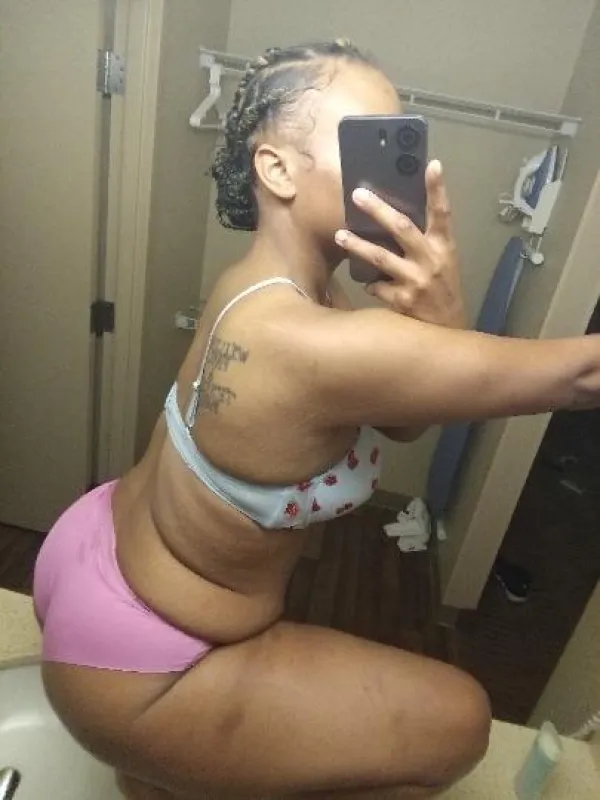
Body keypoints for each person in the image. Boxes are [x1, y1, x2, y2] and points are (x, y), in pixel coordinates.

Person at [33, 40, 600, 799]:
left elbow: (402, 420)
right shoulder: (310, 341)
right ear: (276, 169)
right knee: (461, 722)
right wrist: (448, 314)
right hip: (141, 665)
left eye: (399, 142)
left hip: (96, 549)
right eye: (367, 142)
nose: (396, 176)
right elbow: (580, 375)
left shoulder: (278, 289)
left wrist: (441, 318)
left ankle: (162, 770)